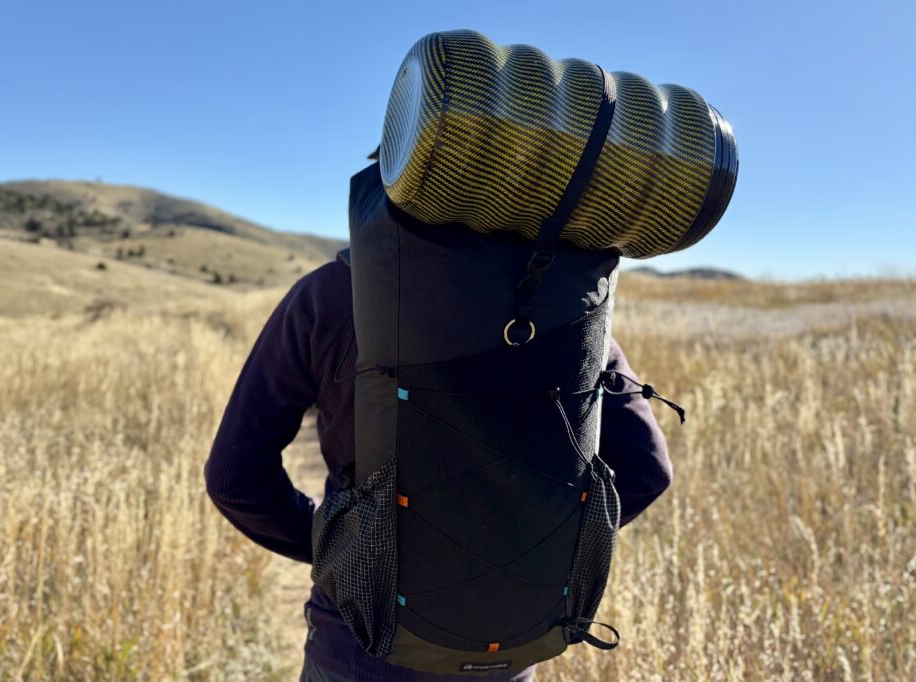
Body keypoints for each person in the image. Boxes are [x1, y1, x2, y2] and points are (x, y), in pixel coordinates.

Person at [204, 251, 673, 682]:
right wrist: (541, 540)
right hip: (507, 647)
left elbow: (235, 477)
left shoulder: (335, 290)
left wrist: (346, 549)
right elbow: (646, 469)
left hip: (359, 647)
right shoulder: (570, 304)